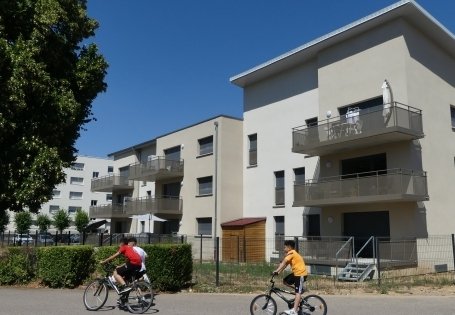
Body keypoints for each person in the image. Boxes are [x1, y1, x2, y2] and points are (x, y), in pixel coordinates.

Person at [273, 240, 308, 315]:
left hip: (300, 274)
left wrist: (276, 270)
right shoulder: (290, 254)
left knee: (297, 292)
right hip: (296, 273)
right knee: (285, 281)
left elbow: (284, 262)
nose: (283, 248)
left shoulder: (292, 253)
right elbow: (285, 265)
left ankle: (294, 311)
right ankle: (299, 290)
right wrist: (278, 272)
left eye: (285, 247)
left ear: (289, 247)